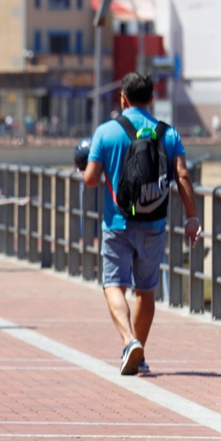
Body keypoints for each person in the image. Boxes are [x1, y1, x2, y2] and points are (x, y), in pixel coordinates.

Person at [82, 72, 200, 376]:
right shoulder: (168, 133)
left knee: (113, 284)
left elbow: (92, 180)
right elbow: (183, 175)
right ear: (151, 99)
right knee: (145, 291)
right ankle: (140, 354)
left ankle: (129, 340)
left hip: (117, 223)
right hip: (153, 222)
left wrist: (84, 168)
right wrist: (192, 217)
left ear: (122, 97)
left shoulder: (106, 132)